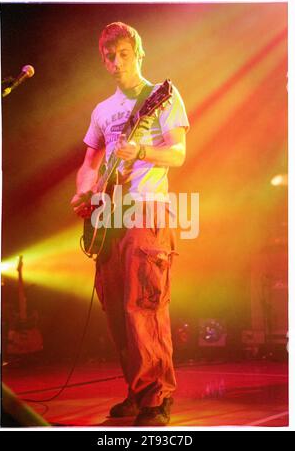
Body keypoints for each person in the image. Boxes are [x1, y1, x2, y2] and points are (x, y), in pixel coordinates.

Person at [71, 22, 189, 426]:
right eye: (109, 55)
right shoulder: (101, 111)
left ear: (139, 53)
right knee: (117, 313)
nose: (116, 62)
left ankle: (158, 400)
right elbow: (88, 164)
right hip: (109, 217)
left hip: (146, 209)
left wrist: (139, 149)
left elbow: (179, 155)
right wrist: (84, 192)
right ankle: (137, 394)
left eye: (123, 53)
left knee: (145, 307)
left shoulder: (161, 97)